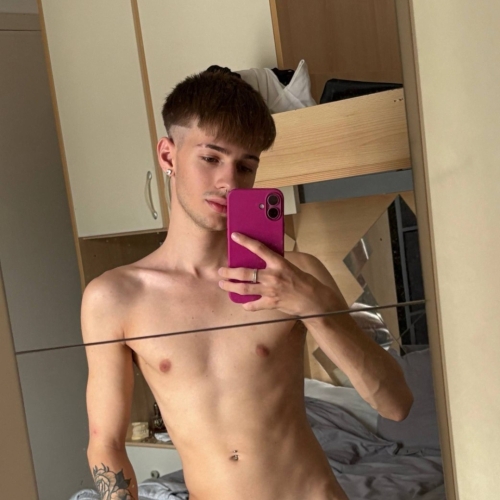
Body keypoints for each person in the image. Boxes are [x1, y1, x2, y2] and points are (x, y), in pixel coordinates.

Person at [82, 71, 413, 500]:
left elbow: (395, 405)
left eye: (246, 166)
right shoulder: (115, 298)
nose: (229, 182)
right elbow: (105, 443)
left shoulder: (296, 273)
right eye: (211, 158)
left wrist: (314, 307)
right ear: (168, 155)